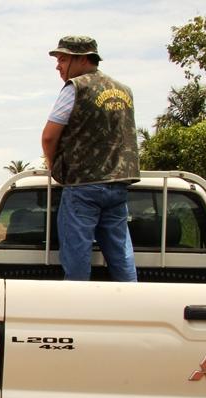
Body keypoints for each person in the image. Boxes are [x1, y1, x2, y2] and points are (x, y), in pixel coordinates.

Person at [41, 35, 139, 282]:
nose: (58, 66)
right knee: (121, 256)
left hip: (83, 185)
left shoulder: (76, 87)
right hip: (119, 184)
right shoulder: (124, 91)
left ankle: (76, 310)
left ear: (83, 59)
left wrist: (54, 167)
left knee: (76, 258)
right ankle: (132, 305)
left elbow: (49, 137)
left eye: (63, 59)